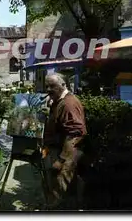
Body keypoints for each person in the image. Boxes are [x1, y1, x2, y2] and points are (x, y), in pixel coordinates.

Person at [42, 73, 87, 210]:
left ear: (63, 85)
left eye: (53, 86)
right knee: (62, 191)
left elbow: (75, 134)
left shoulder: (68, 103)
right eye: (47, 86)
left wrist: (61, 160)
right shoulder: (60, 101)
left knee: (59, 192)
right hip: (62, 152)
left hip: (66, 155)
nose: (49, 90)